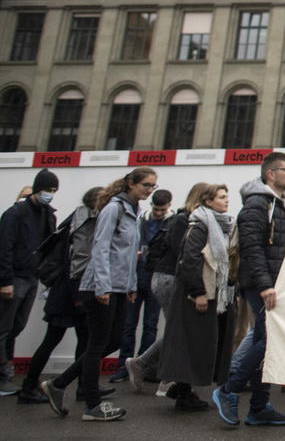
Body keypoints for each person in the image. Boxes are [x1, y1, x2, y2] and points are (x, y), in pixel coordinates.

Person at [42, 166, 157, 422]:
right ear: (131, 183)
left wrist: (130, 286)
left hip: (117, 287)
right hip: (99, 287)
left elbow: (127, 255)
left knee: (112, 341)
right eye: (146, 185)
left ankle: (59, 384)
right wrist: (103, 286)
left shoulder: (134, 210)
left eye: (153, 186)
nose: (149, 190)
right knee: (97, 344)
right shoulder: (113, 209)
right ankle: (92, 406)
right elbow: (101, 249)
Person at [212, 152, 285, 426]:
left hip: (277, 283)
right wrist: (265, 285)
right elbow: (251, 248)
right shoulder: (257, 204)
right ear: (270, 174)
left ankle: (259, 407)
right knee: (269, 341)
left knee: (267, 342)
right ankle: (228, 390)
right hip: (262, 284)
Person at [159, 184, 237, 412]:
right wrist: (198, 292)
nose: (226, 200)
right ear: (208, 202)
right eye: (222, 197)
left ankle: (181, 389)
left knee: (197, 343)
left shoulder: (220, 225)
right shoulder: (199, 225)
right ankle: (183, 393)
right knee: (189, 343)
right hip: (195, 296)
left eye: (227, 196)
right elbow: (189, 259)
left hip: (212, 294)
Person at [17, 186, 97, 405]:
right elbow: (75, 262)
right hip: (70, 294)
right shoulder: (82, 223)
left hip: (66, 293)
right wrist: (79, 296)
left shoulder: (77, 218)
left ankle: (83, 387)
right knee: (62, 341)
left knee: (79, 341)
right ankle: (30, 387)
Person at [127, 182, 207, 397]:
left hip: (170, 278)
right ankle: (165, 378)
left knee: (176, 330)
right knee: (176, 331)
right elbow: (182, 252)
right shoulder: (183, 219)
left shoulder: (188, 219)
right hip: (168, 278)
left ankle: (143, 364)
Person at [0, 168, 58, 396]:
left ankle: (5, 371)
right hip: (14, 278)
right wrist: (5, 280)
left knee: (16, 327)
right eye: (47, 190)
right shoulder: (16, 213)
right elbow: (5, 248)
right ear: (37, 189)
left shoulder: (47, 215)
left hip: (32, 277)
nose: (50, 194)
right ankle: (2, 375)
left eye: (53, 190)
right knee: (4, 327)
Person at [109, 189, 171, 383]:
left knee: (150, 326)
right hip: (135, 279)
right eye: (156, 208)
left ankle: (141, 366)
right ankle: (122, 366)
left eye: (162, 209)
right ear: (151, 204)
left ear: (169, 206)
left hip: (155, 280)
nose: (158, 212)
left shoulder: (172, 223)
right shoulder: (140, 219)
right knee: (128, 325)